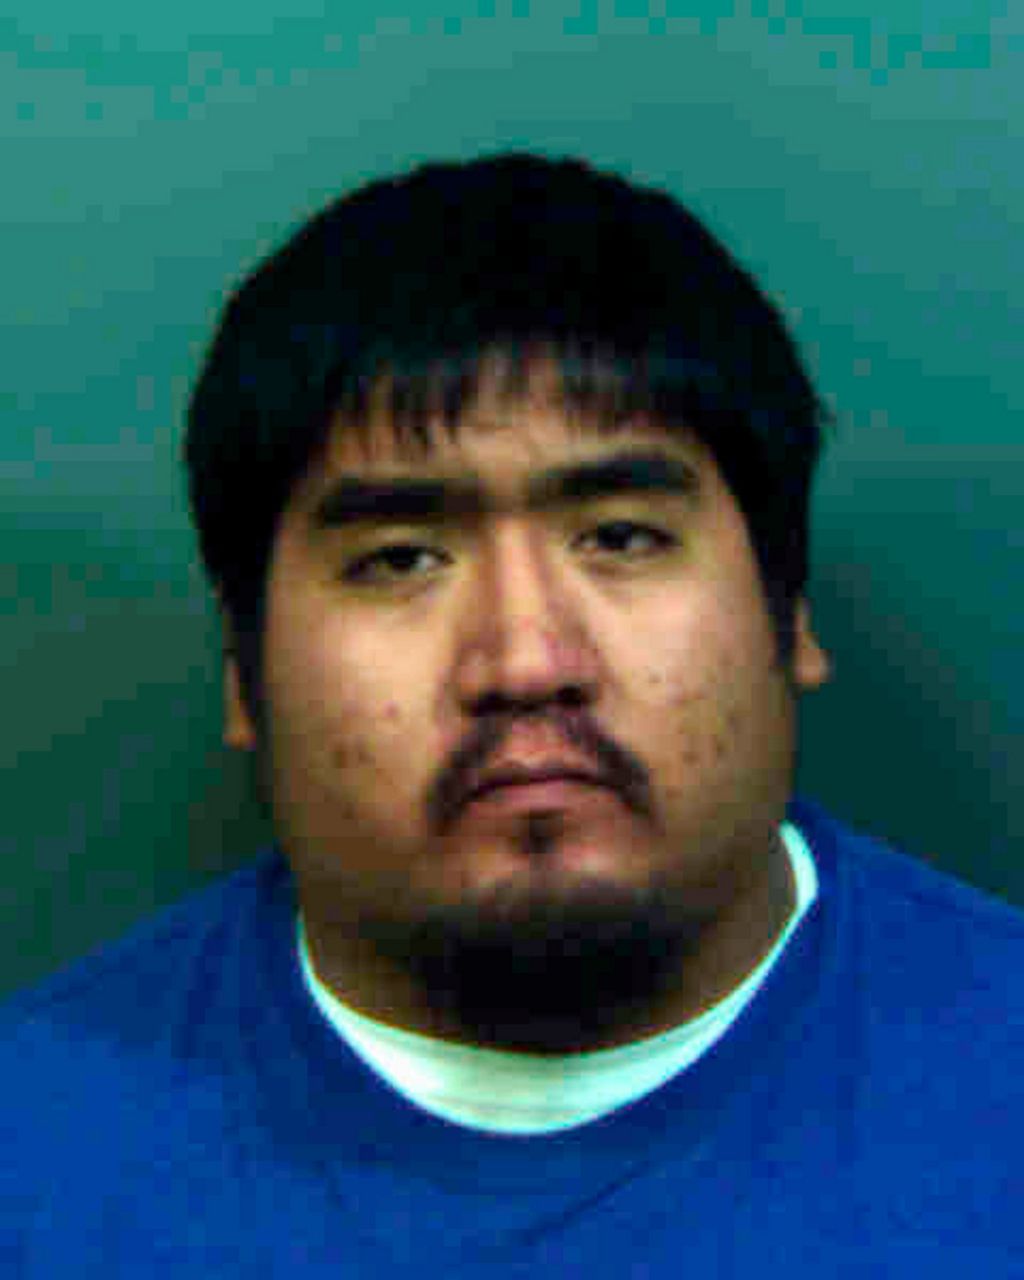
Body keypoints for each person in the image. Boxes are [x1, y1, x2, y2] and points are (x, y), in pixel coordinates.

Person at [3, 153, 1021, 1276]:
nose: (527, 661)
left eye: (621, 536)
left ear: (790, 613)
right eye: (401, 557)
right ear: (244, 673)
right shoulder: (35, 1164)